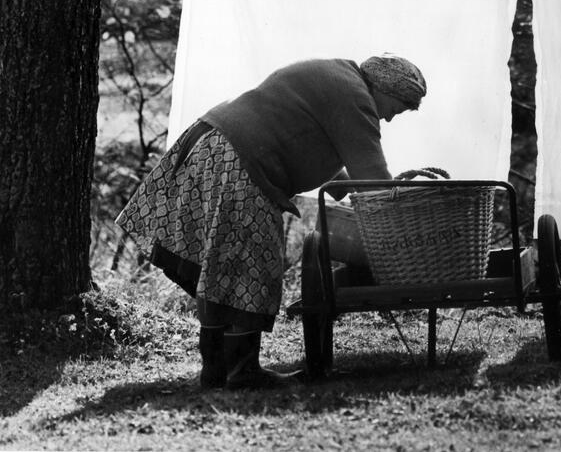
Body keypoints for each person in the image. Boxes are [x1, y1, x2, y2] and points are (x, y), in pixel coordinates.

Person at [116, 54, 426, 389]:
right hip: (237, 161)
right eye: (398, 108)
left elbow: (302, 136)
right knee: (251, 265)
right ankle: (242, 371)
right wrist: (406, 216)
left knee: (223, 266)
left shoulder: (339, 77)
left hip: (214, 146)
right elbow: (374, 177)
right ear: (385, 88)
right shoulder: (356, 98)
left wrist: (347, 185)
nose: (390, 118)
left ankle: (217, 370)